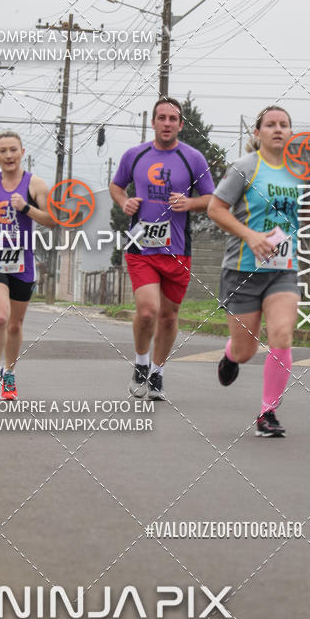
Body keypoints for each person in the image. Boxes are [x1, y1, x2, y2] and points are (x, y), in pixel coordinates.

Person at [207, 105, 310, 437]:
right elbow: (215, 209)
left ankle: (267, 413)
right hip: (243, 271)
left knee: (281, 335)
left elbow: (297, 210)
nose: (277, 129)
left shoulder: (299, 171)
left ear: (291, 133)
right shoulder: (244, 168)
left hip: (283, 270)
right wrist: (250, 235)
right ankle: (230, 355)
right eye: (270, 124)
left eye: (283, 125)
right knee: (245, 350)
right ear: (258, 132)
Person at [110, 97, 215, 401]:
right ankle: (141, 364)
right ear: (153, 122)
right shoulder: (135, 155)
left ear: (181, 124)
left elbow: (211, 198)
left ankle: (157, 373)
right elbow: (117, 186)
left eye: (173, 118)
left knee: (169, 317)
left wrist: (190, 203)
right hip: (141, 246)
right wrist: (123, 202)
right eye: (162, 117)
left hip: (178, 249)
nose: (167, 123)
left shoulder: (193, 158)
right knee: (147, 311)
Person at [0, 131, 55, 399]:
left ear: (22, 152)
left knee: (16, 325)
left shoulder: (36, 185)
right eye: (3, 151)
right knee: (0, 316)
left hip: (22, 262)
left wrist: (27, 208)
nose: (8, 155)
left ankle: (10, 373)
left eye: (13, 150)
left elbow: (53, 219)